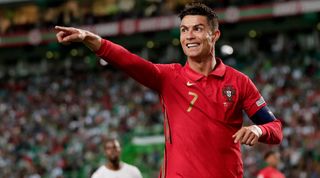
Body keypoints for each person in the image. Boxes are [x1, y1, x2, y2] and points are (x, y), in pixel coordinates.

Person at [55, 2, 283, 178]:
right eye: (184, 30)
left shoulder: (239, 82)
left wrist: (258, 131)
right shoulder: (169, 77)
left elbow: (275, 129)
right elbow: (129, 61)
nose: (189, 36)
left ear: (214, 35)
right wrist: (91, 39)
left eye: (197, 29)